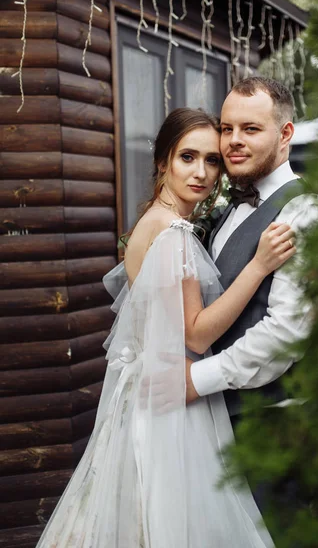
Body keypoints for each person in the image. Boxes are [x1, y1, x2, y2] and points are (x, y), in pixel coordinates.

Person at [36, 107, 296, 548]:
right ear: (163, 162)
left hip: (145, 391)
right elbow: (196, 333)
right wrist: (259, 265)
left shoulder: (151, 222)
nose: (202, 173)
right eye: (187, 158)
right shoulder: (173, 232)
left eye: (212, 160)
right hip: (171, 401)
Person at [184, 77, 318, 508]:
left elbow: (286, 331)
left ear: (285, 134)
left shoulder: (308, 211)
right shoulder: (225, 210)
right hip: (212, 423)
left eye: (250, 129)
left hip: (273, 430)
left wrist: (196, 380)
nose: (233, 141)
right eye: (227, 129)